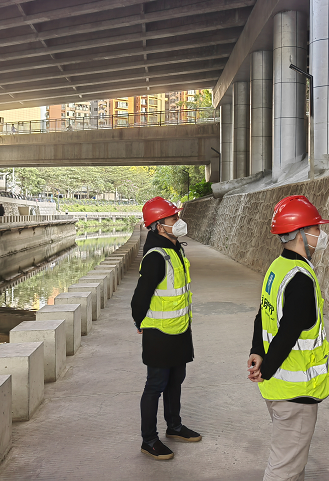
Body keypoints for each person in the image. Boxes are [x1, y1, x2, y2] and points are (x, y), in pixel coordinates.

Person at [247, 195, 329, 481]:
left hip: (278, 389)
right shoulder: (300, 278)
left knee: (292, 463)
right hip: (296, 392)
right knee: (283, 470)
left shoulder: (277, 268)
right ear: (299, 234)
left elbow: (262, 315)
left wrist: (258, 352)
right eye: (316, 229)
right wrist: (266, 368)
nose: (321, 235)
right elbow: (288, 332)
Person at [131, 197, 200, 461]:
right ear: (160, 226)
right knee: (155, 385)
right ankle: (149, 440)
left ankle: (175, 426)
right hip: (159, 333)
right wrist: (141, 323)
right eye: (174, 219)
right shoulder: (156, 256)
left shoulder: (175, 250)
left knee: (175, 381)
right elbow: (140, 297)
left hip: (180, 330)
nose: (179, 222)